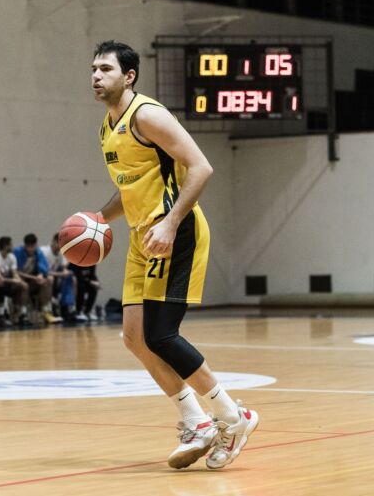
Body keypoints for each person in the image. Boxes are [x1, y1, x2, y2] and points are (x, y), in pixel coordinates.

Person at [90, 40, 258, 470]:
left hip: (175, 230)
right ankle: (196, 421)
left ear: (128, 77)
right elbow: (130, 189)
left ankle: (233, 418)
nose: (96, 76)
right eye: (93, 69)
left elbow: (201, 167)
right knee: (133, 337)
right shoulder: (106, 129)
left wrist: (169, 222)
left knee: (161, 335)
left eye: (106, 69)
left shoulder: (147, 115)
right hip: (141, 236)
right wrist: (97, 217)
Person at [14, 233, 57, 324]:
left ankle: (46, 311)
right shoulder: (17, 252)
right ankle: (23, 313)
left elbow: (43, 267)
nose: (31, 249)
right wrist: (34, 277)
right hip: (18, 280)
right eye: (28, 247)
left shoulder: (38, 252)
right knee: (24, 285)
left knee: (47, 281)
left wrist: (41, 275)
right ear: (25, 245)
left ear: (36, 245)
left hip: (32, 281)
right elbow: (16, 272)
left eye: (32, 246)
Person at [0, 236, 31, 327]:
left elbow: (14, 273)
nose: (12, 246)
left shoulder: (11, 257)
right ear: (5, 246)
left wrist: (18, 279)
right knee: (0, 284)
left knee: (24, 285)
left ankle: (22, 313)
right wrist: (13, 280)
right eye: (11, 244)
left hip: (8, 281)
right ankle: (1, 315)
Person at [42, 234, 75, 320]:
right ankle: (49, 309)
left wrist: (65, 271)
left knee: (71, 278)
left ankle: (67, 306)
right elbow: (44, 272)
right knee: (50, 278)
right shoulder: (44, 251)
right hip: (42, 277)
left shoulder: (61, 253)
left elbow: (64, 268)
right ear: (53, 241)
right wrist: (61, 274)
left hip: (54, 278)